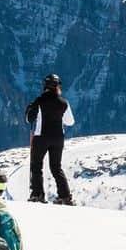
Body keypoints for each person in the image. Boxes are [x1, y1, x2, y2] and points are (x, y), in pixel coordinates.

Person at [25, 73, 74, 204]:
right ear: (57, 86)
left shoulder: (39, 101)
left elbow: (29, 119)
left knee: (36, 166)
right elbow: (70, 122)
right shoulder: (64, 103)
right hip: (58, 138)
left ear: (45, 86)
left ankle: (38, 194)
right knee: (56, 167)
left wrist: (29, 109)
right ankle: (65, 196)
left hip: (41, 137)